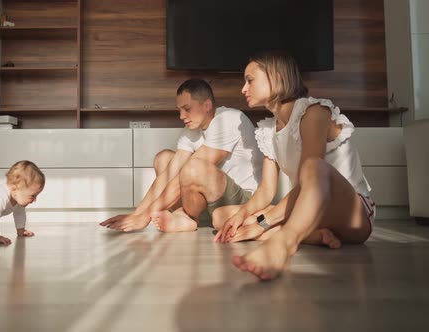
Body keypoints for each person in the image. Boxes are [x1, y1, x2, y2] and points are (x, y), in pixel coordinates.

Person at [213, 50, 375, 280]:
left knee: (313, 168)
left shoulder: (314, 113)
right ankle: (313, 235)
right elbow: (267, 191)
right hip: (311, 208)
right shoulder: (268, 130)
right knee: (223, 217)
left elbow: (309, 180)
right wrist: (243, 216)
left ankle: (283, 243)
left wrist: (262, 224)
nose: (243, 89)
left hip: (353, 214)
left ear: (277, 77)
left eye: (250, 80)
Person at [100, 79, 263, 232]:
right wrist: (136, 214)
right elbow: (168, 175)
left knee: (193, 167)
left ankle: (186, 218)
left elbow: (186, 175)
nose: (181, 116)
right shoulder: (190, 132)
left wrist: (147, 216)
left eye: (187, 109)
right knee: (164, 158)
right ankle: (186, 217)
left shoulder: (228, 120)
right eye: (180, 110)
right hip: (210, 200)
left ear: (207, 105)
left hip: (242, 199)